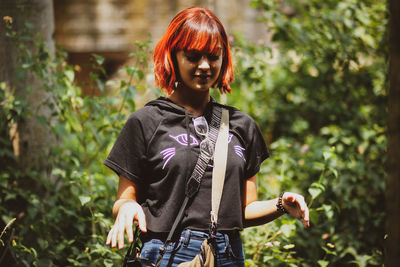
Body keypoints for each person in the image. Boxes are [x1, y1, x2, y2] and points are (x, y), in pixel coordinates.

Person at [105, 6, 310, 267]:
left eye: (213, 56)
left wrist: (281, 204)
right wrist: (126, 208)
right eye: (193, 56)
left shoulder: (241, 125)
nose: (204, 65)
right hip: (167, 253)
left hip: (227, 254)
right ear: (174, 57)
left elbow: (243, 210)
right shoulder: (146, 121)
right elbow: (124, 199)